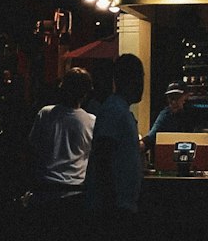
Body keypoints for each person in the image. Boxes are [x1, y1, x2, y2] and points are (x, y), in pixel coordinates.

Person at [82, 53, 144, 216]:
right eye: (138, 77)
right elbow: (104, 154)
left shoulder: (119, 109)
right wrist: (110, 202)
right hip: (113, 206)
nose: (142, 85)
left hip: (117, 204)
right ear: (126, 79)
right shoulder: (115, 110)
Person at [28, 66, 96, 204]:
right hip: (76, 191)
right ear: (85, 93)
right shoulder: (92, 121)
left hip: (46, 189)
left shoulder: (45, 113)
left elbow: (32, 149)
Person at [143, 83, 188, 155]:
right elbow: (150, 138)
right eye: (171, 98)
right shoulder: (165, 115)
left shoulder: (191, 114)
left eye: (177, 97)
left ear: (185, 97)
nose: (173, 102)